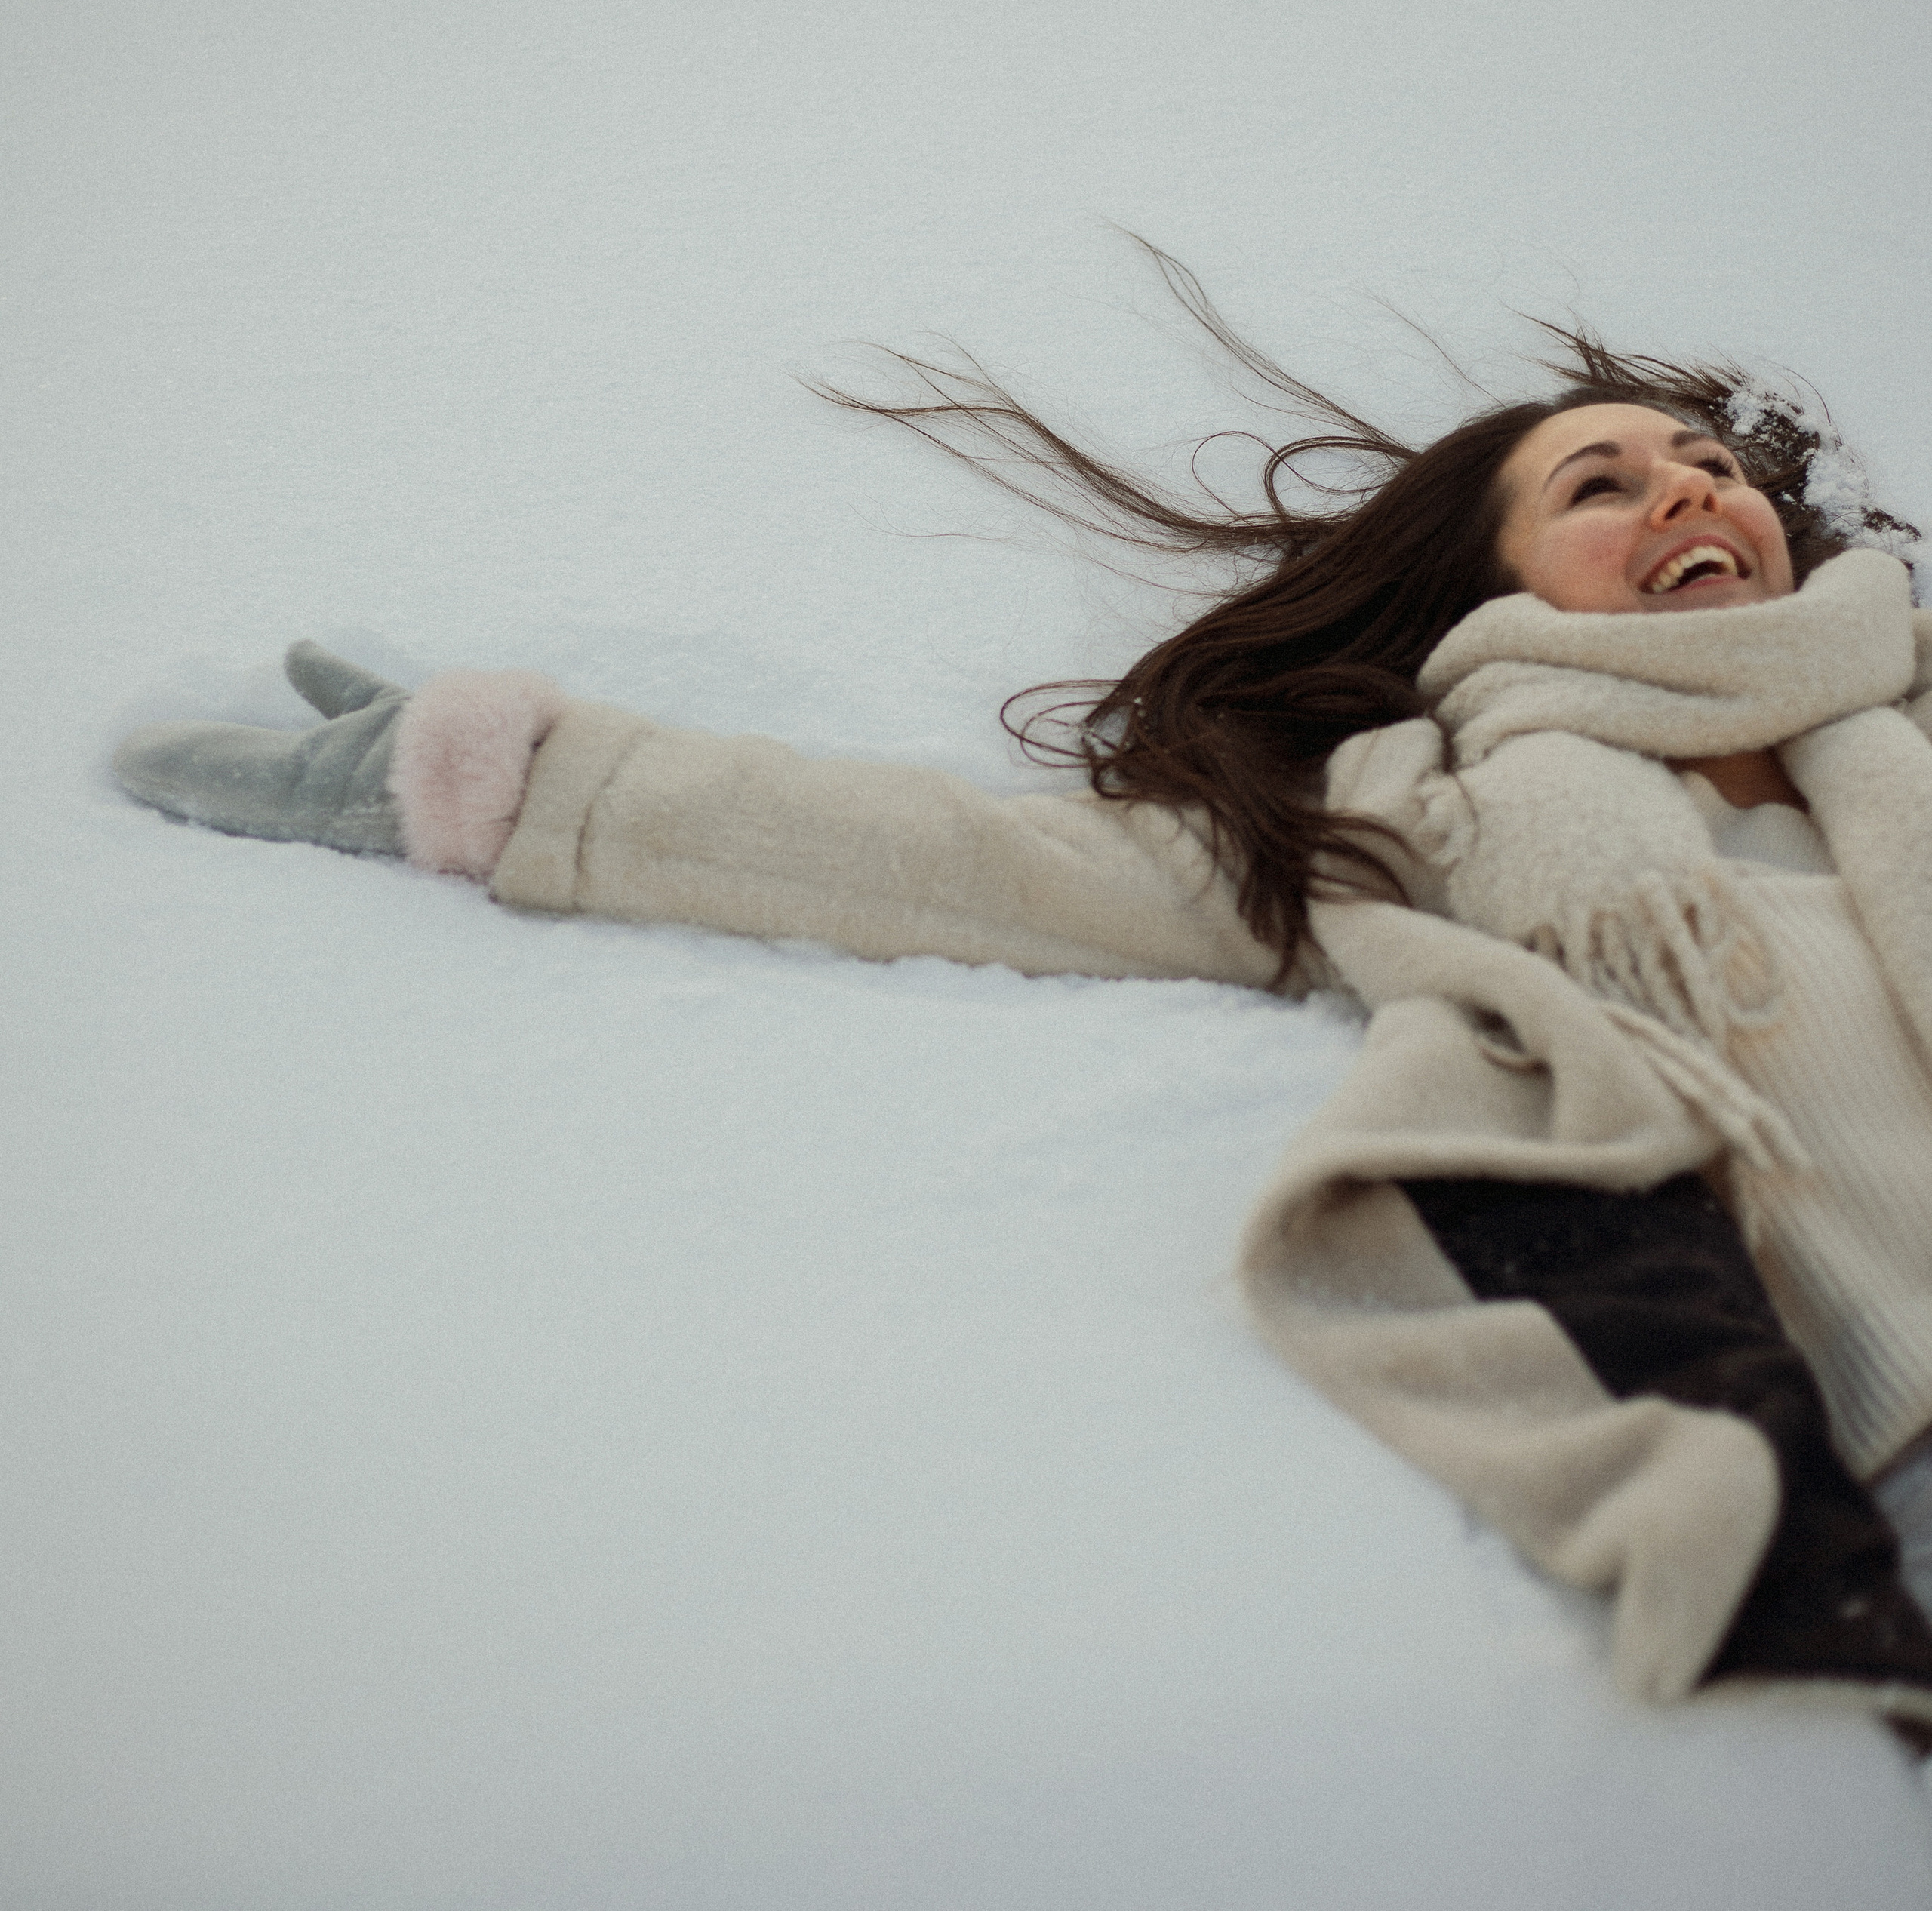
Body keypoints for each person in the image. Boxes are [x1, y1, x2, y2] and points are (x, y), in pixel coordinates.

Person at [112, 275, 1932, 1743]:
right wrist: (528, 783)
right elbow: (961, 863)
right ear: (1492, 583)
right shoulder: (1415, 818)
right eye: (1598, 484)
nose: (1685, 487)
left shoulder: (1906, 744)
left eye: (1699, 459)